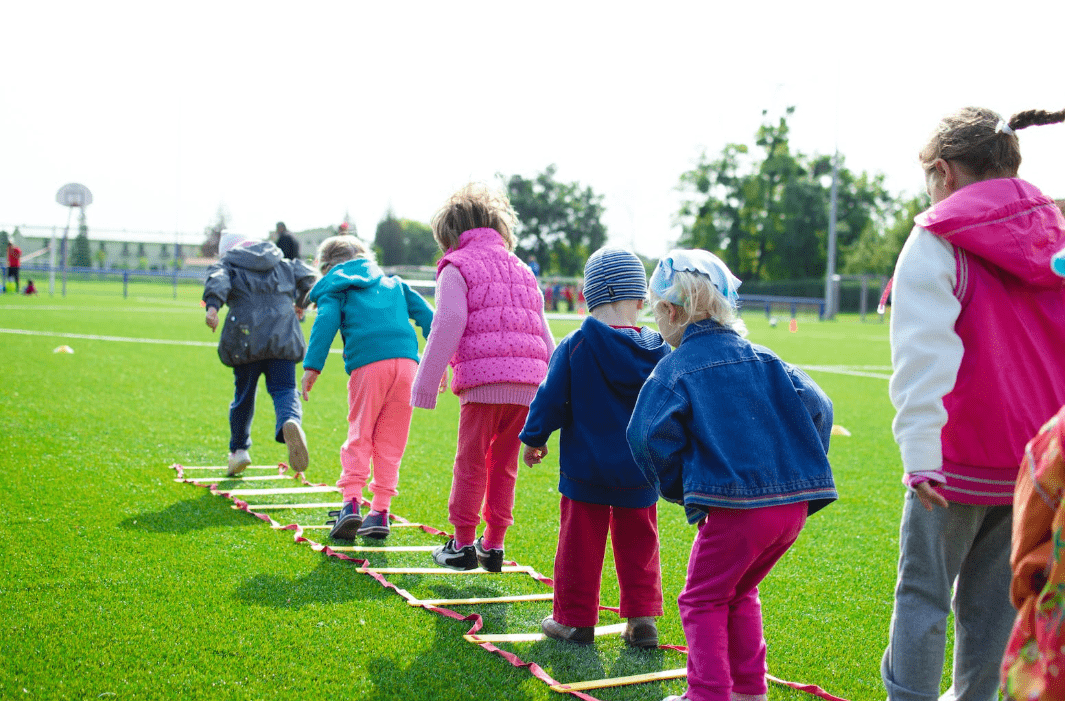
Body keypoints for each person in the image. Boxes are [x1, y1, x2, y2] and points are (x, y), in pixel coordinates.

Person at [881, 107, 1065, 701]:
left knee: (924, 594)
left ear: (943, 172)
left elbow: (922, 358)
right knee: (994, 605)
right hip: (1038, 464)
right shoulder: (1057, 232)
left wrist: (920, 455)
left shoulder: (936, 237)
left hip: (955, 459)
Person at [627, 249, 836, 701]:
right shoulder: (766, 357)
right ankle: (748, 691)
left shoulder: (675, 368)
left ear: (669, 310)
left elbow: (644, 435)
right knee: (739, 591)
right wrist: (800, 469)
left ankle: (708, 694)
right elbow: (820, 406)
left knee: (701, 599)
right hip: (791, 511)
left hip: (738, 512)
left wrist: (683, 488)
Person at [520, 246, 670, 648]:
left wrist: (534, 438)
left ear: (586, 296)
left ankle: (574, 620)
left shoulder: (575, 344)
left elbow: (550, 398)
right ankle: (642, 621)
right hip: (641, 470)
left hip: (585, 469)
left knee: (578, 545)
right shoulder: (660, 350)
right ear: (640, 299)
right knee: (640, 543)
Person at [410, 182, 555, 571]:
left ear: (450, 236)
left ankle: (460, 545)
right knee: (503, 464)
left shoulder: (456, 267)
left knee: (470, 461)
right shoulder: (523, 269)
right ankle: (493, 544)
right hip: (529, 385)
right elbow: (543, 332)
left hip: (483, 383)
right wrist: (555, 392)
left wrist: (426, 382)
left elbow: (450, 321)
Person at [300, 235, 434, 540]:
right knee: (391, 441)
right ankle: (380, 512)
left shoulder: (337, 287)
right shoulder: (395, 283)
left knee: (360, 433)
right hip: (408, 366)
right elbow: (431, 318)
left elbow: (326, 321)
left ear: (326, 266)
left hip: (369, 365)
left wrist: (312, 366)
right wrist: (441, 361)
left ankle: (350, 504)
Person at [203, 231, 317, 477]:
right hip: (284, 334)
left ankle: (239, 450)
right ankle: (290, 421)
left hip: (246, 337)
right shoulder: (281, 261)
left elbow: (218, 280)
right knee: (285, 389)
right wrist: (301, 303)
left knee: (244, 395)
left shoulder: (229, 263)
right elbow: (309, 278)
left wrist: (212, 308)